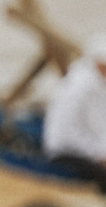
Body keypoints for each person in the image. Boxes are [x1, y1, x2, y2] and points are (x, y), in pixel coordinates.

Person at [42, 33, 106, 187]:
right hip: (67, 152)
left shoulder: (96, 84)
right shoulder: (81, 86)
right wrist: (98, 155)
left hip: (89, 149)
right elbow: (70, 134)